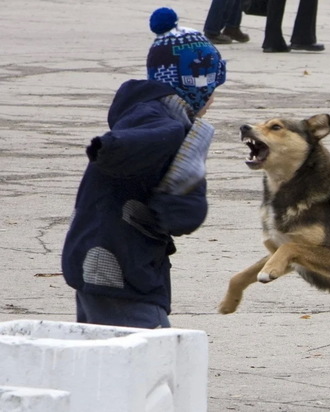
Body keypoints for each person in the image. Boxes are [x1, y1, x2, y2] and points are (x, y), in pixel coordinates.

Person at [61, 7, 226, 329]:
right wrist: (116, 148)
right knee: (151, 363)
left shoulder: (146, 111)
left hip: (104, 258)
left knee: (101, 362)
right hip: (118, 270)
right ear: (198, 86)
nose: (214, 98)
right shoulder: (168, 130)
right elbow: (182, 215)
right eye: (214, 88)